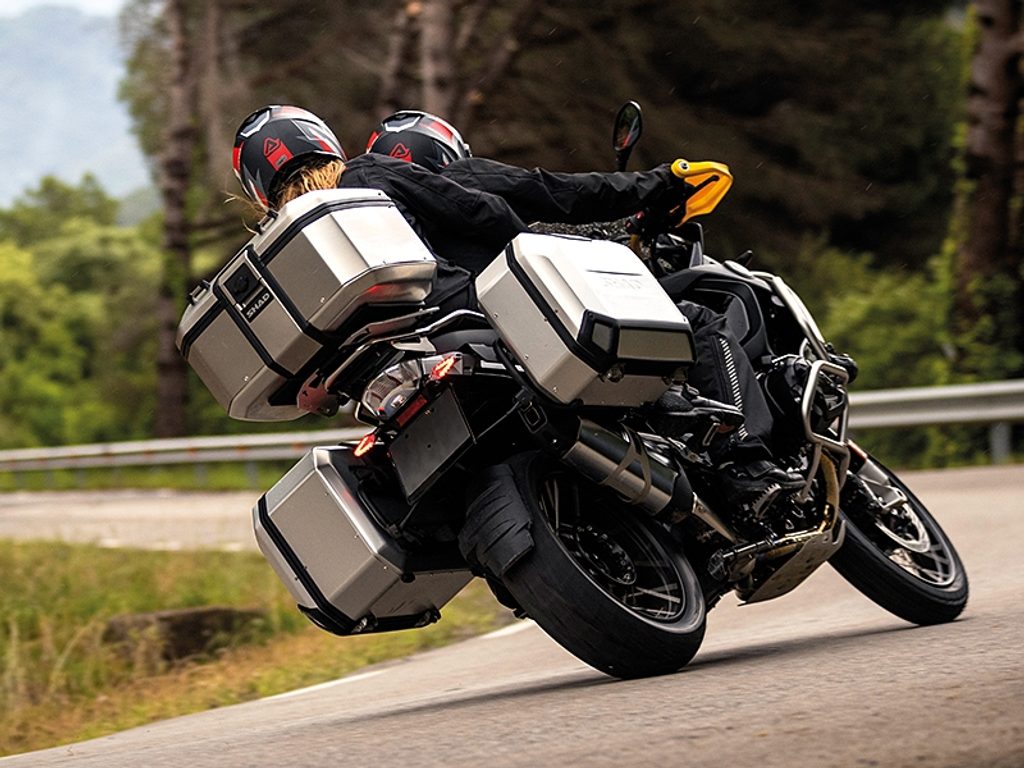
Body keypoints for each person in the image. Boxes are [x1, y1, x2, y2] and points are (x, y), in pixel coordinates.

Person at [233, 104, 802, 518]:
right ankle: (747, 465)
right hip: (472, 316)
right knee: (694, 325)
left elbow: (297, 378)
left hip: (391, 383)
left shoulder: (275, 261)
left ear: (257, 186)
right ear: (323, 141)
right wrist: (532, 239)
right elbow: (490, 211)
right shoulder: (367, 177)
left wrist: (325, 393)